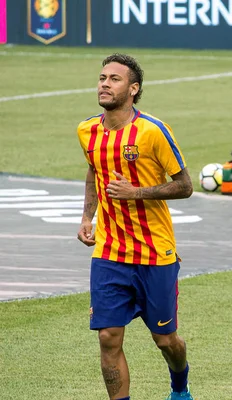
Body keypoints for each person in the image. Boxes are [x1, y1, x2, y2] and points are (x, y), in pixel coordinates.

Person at [76, 53, 195, 400]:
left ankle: (180, 387)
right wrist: (87, 217)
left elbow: (185, 185)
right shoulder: (87, 130)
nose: (104, 83)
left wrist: (136, 193)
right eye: (102, 77)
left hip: (155, 254)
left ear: (133, 88)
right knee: (107, 337)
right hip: (110, 254)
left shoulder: (153, 131)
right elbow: (94, 170)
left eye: (114, 79)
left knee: (165, 340)